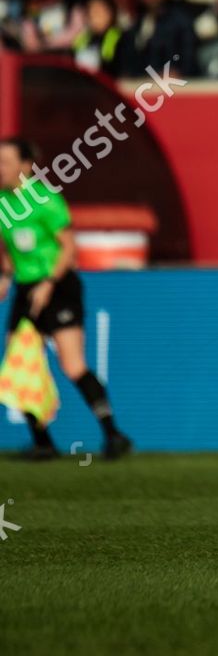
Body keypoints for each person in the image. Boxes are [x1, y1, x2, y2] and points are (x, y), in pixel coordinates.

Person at [0, 138, 132, 461]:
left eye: (5, 162)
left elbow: (69, 248)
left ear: (26, 166)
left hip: (58, 286)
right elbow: (8, 249)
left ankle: (113, 434)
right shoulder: (3, 203)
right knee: (22, 363)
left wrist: (48, 282)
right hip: (26, 286)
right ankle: (43, 442)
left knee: (72, 365)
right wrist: (5, 276)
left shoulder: (45, 200)